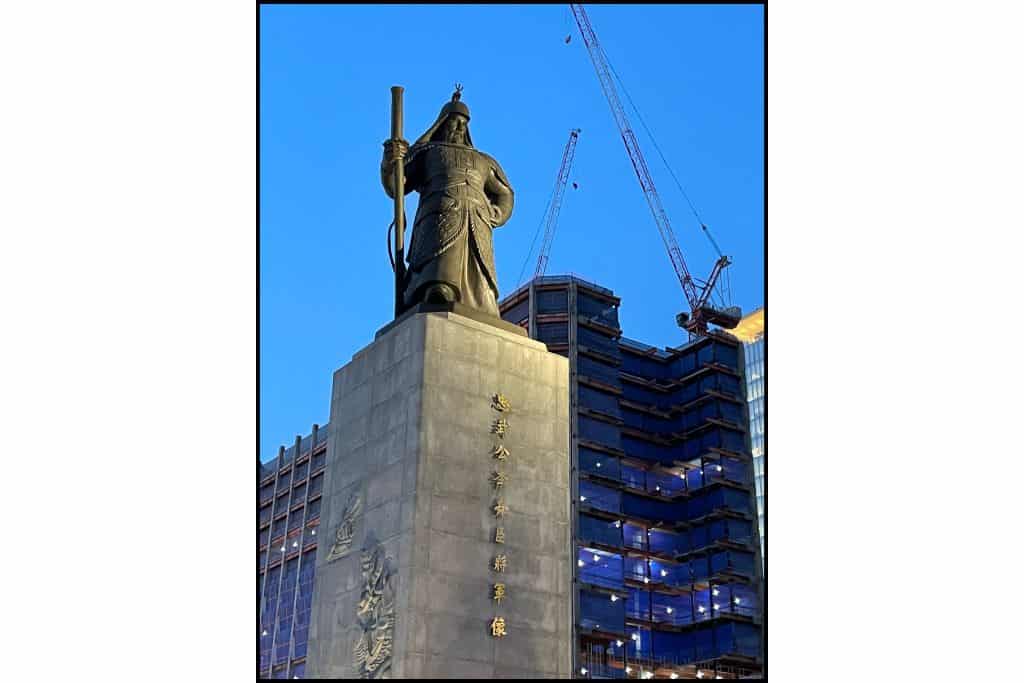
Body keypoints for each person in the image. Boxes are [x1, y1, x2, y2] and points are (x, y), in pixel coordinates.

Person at [381, 88, 514, 317]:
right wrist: (390, 161)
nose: (460, 128)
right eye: (454, 122)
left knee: (481, 283)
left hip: (478, 219)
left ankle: (480, 302)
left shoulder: (483, 160)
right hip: (440, 214)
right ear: (442, 124)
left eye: (464, 123)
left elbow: (505, 193)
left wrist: (495, 212)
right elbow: (397, 186)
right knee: (440, 270)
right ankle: (436, 288)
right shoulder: (429, 152)